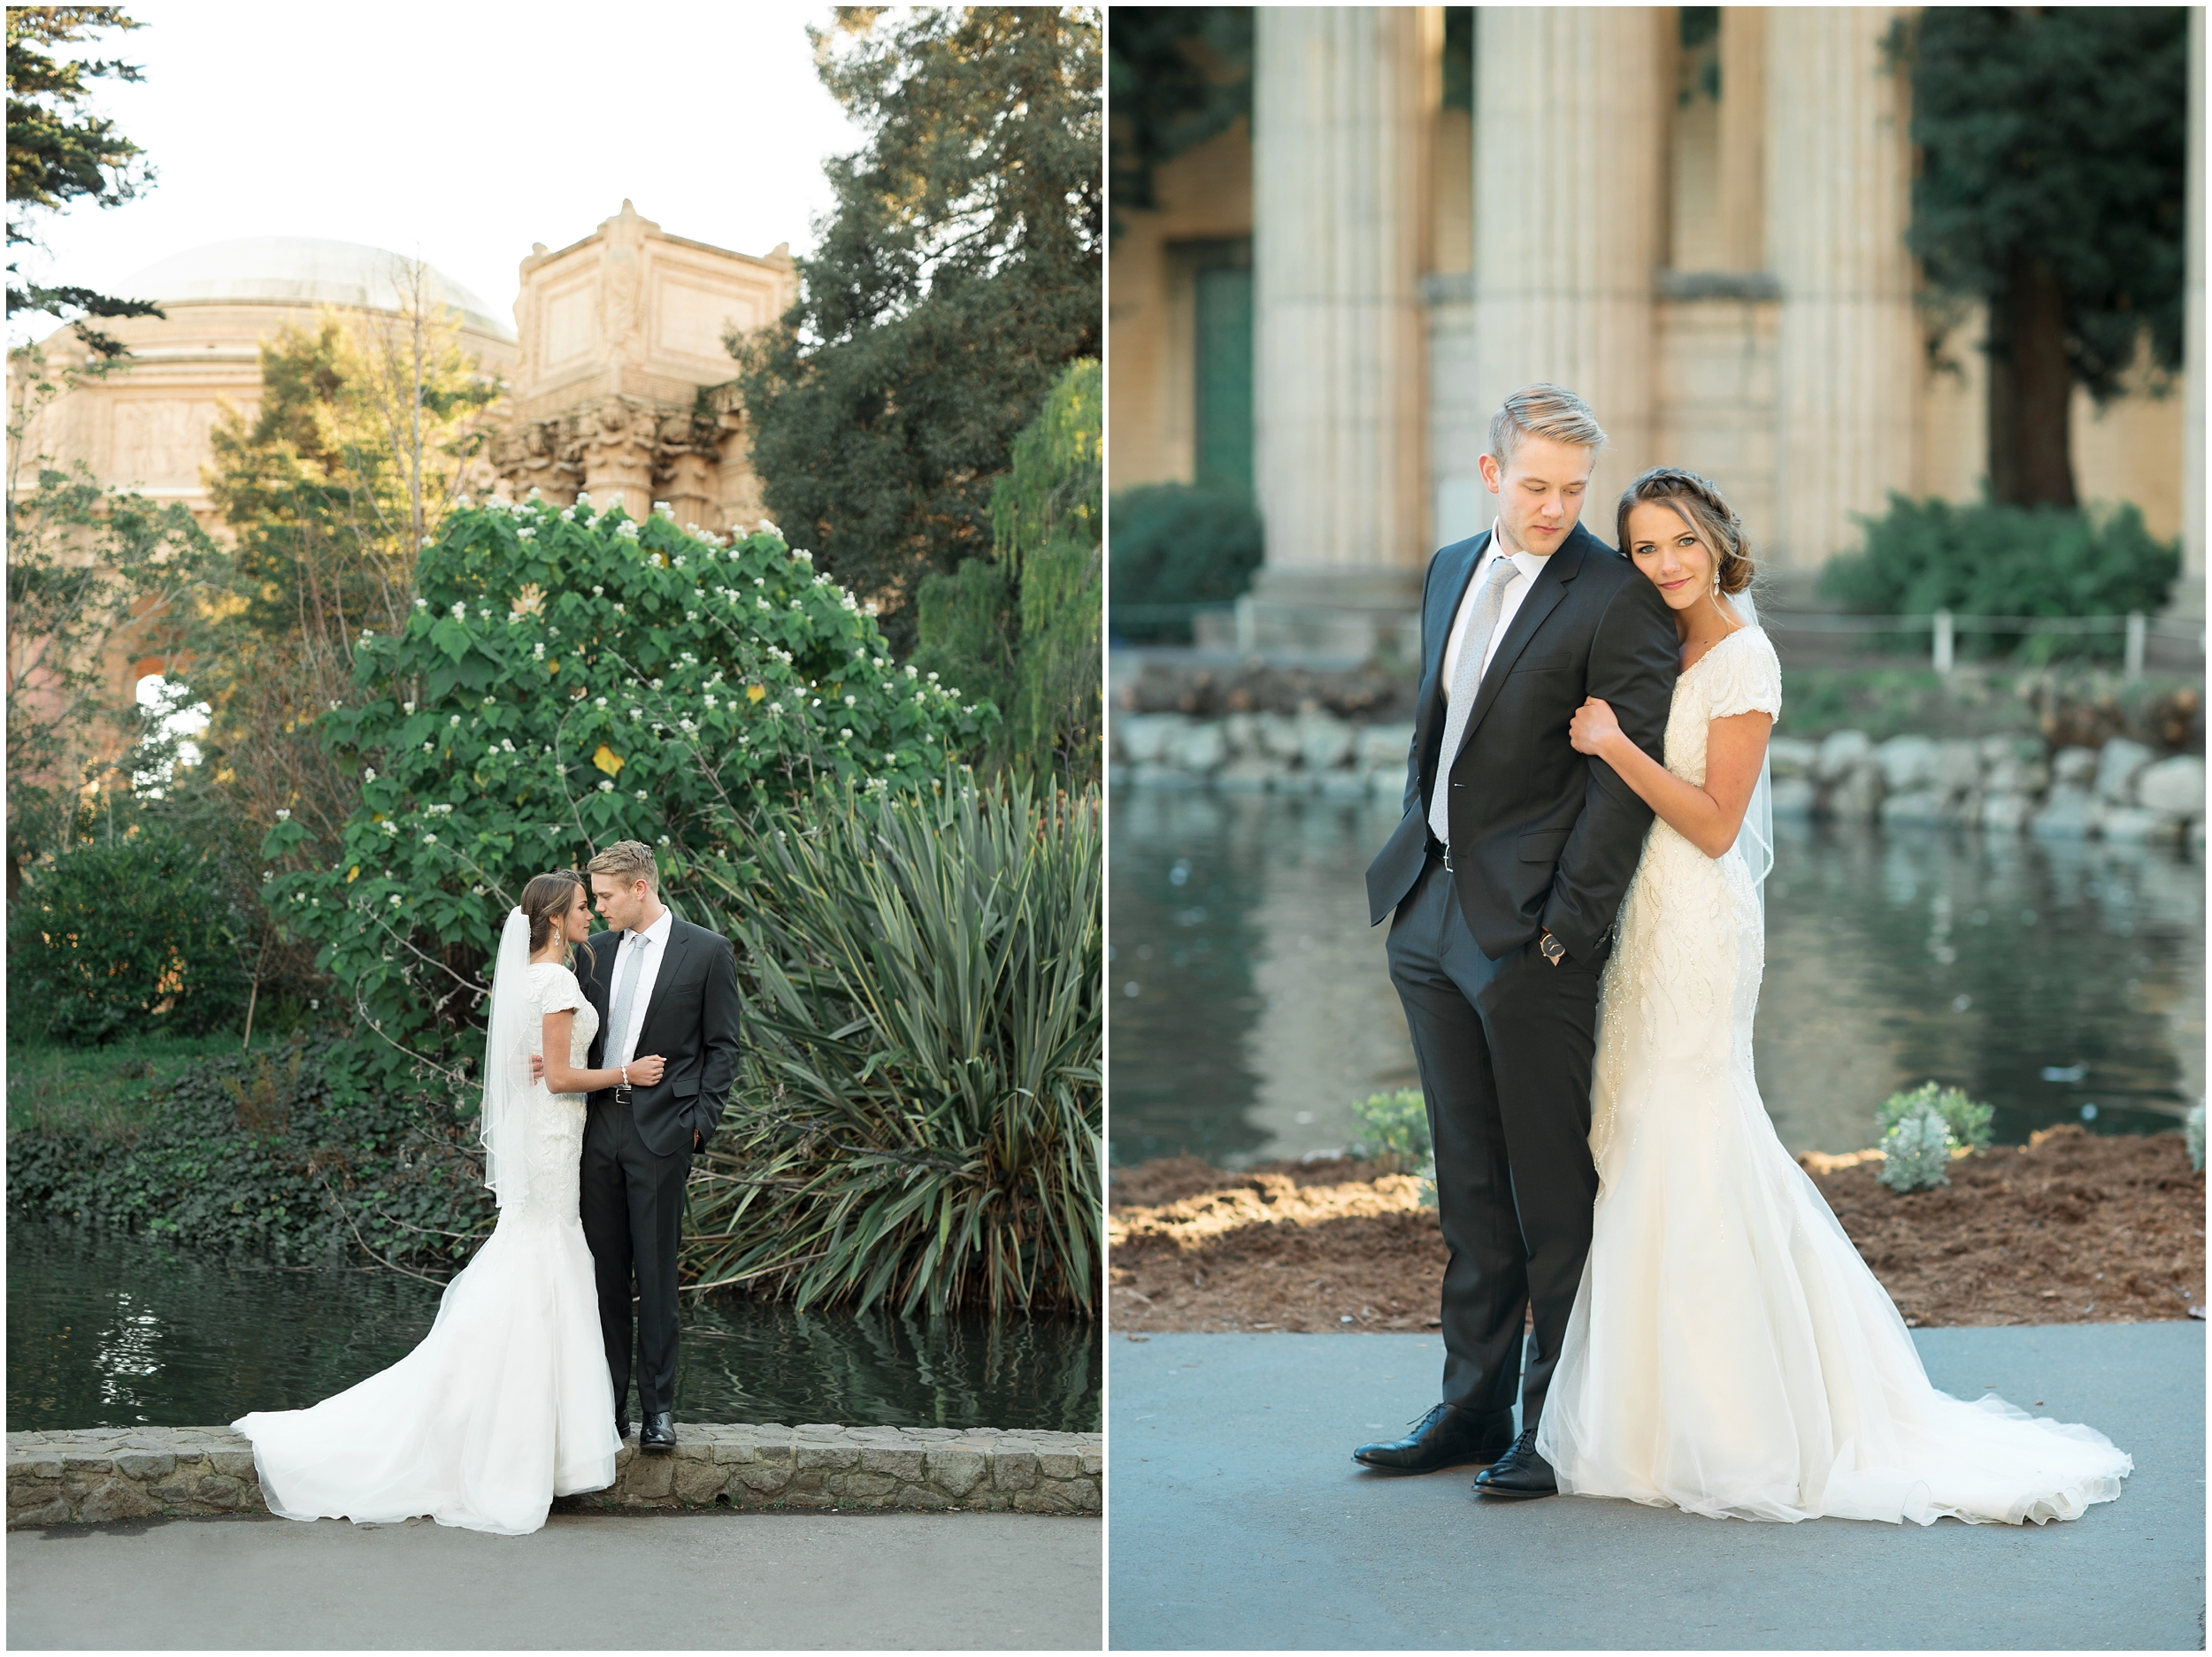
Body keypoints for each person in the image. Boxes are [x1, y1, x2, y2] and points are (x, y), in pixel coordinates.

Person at [1532, 466, 2131, 1523]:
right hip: (1640, 920)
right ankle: (1644, 1410)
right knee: (1635, 1133)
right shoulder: (1658, 642)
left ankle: (1742, 1422)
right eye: (1643, 548)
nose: (1664, 563)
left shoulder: (1746, 657)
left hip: (1699, 925)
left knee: (1695, 1139)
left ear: (1717, 540)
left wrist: (1616, 744)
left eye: (1679, 541)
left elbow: (1718, 823)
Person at [1355, 384, 1679, 1492]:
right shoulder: (1450, 566)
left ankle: (1550, 1427)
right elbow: (1434, 732)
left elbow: (1619, 792)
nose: (1554, 508)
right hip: (1431, 910)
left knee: (1551, 1190)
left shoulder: (1614, 597)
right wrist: (1414, 862)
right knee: (1468, 1184)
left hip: (1531, 937)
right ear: (1490, 474)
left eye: (1573, 490)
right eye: (1535, 485)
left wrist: (1564, 935)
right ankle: (1467, 1405)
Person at [233, 873, 629, 1536]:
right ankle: (535, 1452)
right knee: (543, 1263)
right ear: (556, 919)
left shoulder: (526, 981)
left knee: (532, 1262)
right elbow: (560, 1075)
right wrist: (626, 1072)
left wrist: (548, 1066)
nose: (592, 914)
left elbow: (525, 1069)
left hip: (547, 1137)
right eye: (584, 907)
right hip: (555, 1136)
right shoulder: (557, 982)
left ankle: (517, 1433)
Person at [566, 840, 742, 1454]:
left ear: (639, 888)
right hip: (597, 1131)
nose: (599, 907)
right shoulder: (595, 953)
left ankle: (658, 1411)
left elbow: (724, 1047)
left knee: (658, 1274)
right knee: (604, 1274)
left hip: (664, 1133)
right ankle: (606, 1407)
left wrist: (699, 1125)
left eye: (607, 895)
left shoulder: (708, 952)